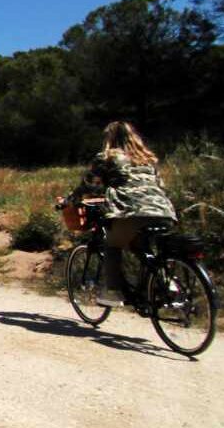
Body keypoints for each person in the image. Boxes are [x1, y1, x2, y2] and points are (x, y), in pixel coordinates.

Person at [68, 121, 178, 307]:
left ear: (109, 138)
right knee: (141, 246)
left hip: (131, 211)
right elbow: (160, 186)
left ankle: (113, 292)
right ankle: (168, 282)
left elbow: (88, 184)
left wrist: (70, 200)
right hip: (163, 210)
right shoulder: (148, 159)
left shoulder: (107, 157)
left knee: (112, 245)